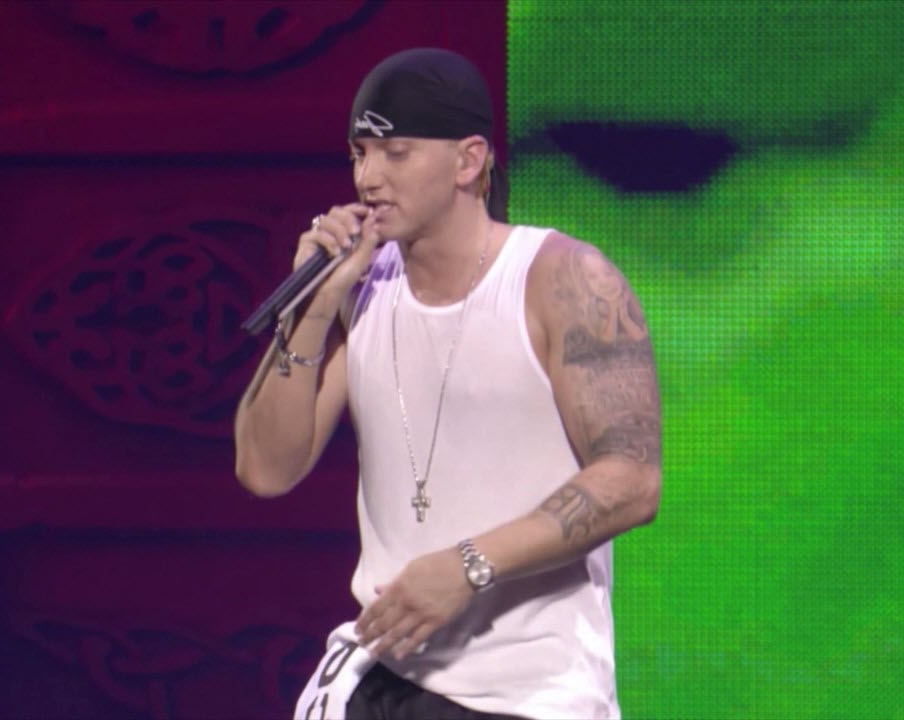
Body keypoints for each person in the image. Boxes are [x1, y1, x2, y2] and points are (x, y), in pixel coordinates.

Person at [234, 48, 661, 719]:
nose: (368, 177)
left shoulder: (562, 279)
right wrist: (313, 305)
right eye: (359, 154)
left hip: (528, 694)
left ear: (467, 161)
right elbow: (265, 469)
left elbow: (632, 479)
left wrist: (468, 565)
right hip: (378, 675)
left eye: (395, 153)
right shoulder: (360, 291)